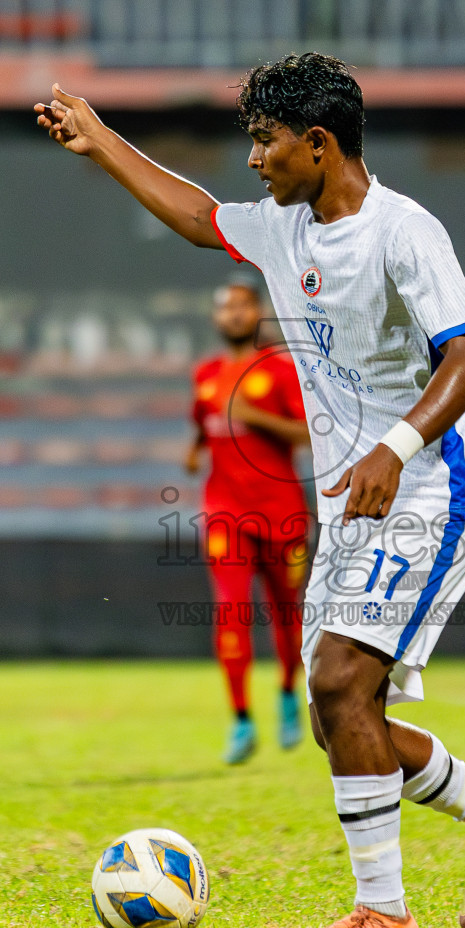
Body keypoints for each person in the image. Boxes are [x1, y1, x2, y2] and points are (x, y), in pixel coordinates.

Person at [36, 52, 465, 928]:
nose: (253, 161)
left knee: (339, 682)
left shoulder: (404, 231)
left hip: (430, 489)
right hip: (354, 505)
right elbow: (200, 216)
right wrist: (104, 143)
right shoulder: (285, 226)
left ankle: (384, 916)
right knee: (340, 716)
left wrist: (396, 446)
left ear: (318, 144)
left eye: (265, 142)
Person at [186, 280, 312, 764]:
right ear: (216, 318)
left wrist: (255, 417)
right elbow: (202, 422)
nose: (232, 314)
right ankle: (240, 719)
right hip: (225, 512)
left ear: (256, 311)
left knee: (286, 612)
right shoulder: (206, 374)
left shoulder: (280, 371)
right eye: (224, 307)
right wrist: (195, 450)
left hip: (281, 512)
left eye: (241, 306)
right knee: (231, 610)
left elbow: (307, 433)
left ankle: (286, 691)